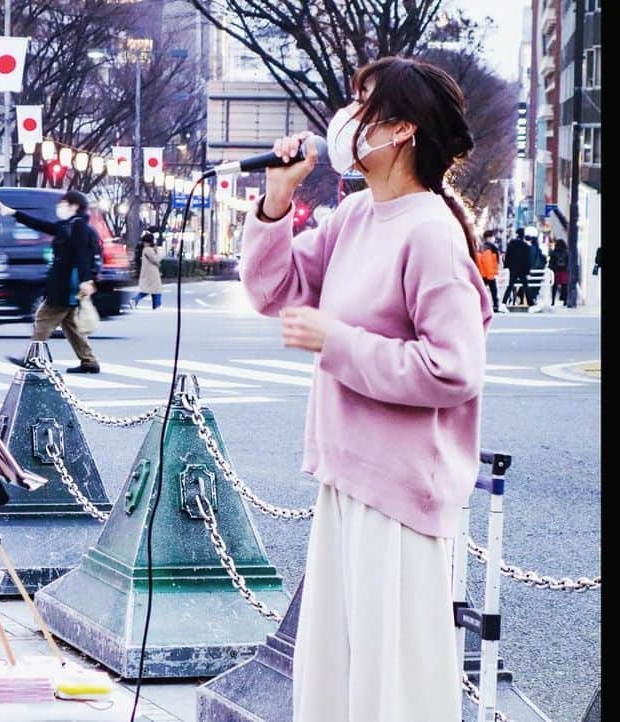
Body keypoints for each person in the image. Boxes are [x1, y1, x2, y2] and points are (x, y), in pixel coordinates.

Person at [239, 56, 491, 722]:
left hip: (401, 492)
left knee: (393, 686)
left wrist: (339, 343)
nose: (347, 120)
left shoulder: (432, 232)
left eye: (364, 105)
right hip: (345, 477)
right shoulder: (354, 218)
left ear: (401, 129)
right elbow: (271, 291)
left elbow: (454, 368)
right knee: (335, 677)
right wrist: (276, 201)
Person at [0, 191, 101, 373]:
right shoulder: (69, 225)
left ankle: (33, 357)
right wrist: (12, 213)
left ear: (75, 206)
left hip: (67, 284)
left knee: (44, 317)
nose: (60, 207)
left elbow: (82, 254)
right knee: (70, 325)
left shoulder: (78, 226)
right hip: (65, 282)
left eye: (64, 203)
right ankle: (89, 361)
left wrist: (85, 280)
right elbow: (41, 225)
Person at [130, 231, 166, 309]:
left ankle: (156, 305)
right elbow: (156, 259)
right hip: (151, 274)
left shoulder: (147, 249)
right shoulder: (148, 249)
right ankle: (156, 305)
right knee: (155, 290)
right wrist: (161, 253)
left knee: (150, 290)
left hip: (150, 273)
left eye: (145, 242)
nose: (144, 243)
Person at [502, 226, 532, 307]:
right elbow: (527, 259)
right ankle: (531, 304)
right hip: (522, 269)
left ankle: (503, 303)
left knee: (510, 285)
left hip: (513, 268)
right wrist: (528, 270)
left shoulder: (511, 244)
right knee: (526, 286)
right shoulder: (525, 246)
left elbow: (507, 256)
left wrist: (506, 266)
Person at [476, 229, 501, 312]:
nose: (494, 238)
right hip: (488, 274)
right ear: (489, 238)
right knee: (493, 291)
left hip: (483, 274)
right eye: (493, 237)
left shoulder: (483, 247)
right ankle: (495, 306)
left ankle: (481, 306)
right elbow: (488, 262)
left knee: (481, 291)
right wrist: (491, 275)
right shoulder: (488, 248)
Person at [548, 237, 570, 306]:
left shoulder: (553, 253)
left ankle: (553, 301)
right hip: (564, 271)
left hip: (556, 271)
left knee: (554, 286)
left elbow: (550, 264)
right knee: (564, 286)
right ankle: (565, 300)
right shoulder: (566, 253)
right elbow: (568, 262)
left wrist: (553, 267)